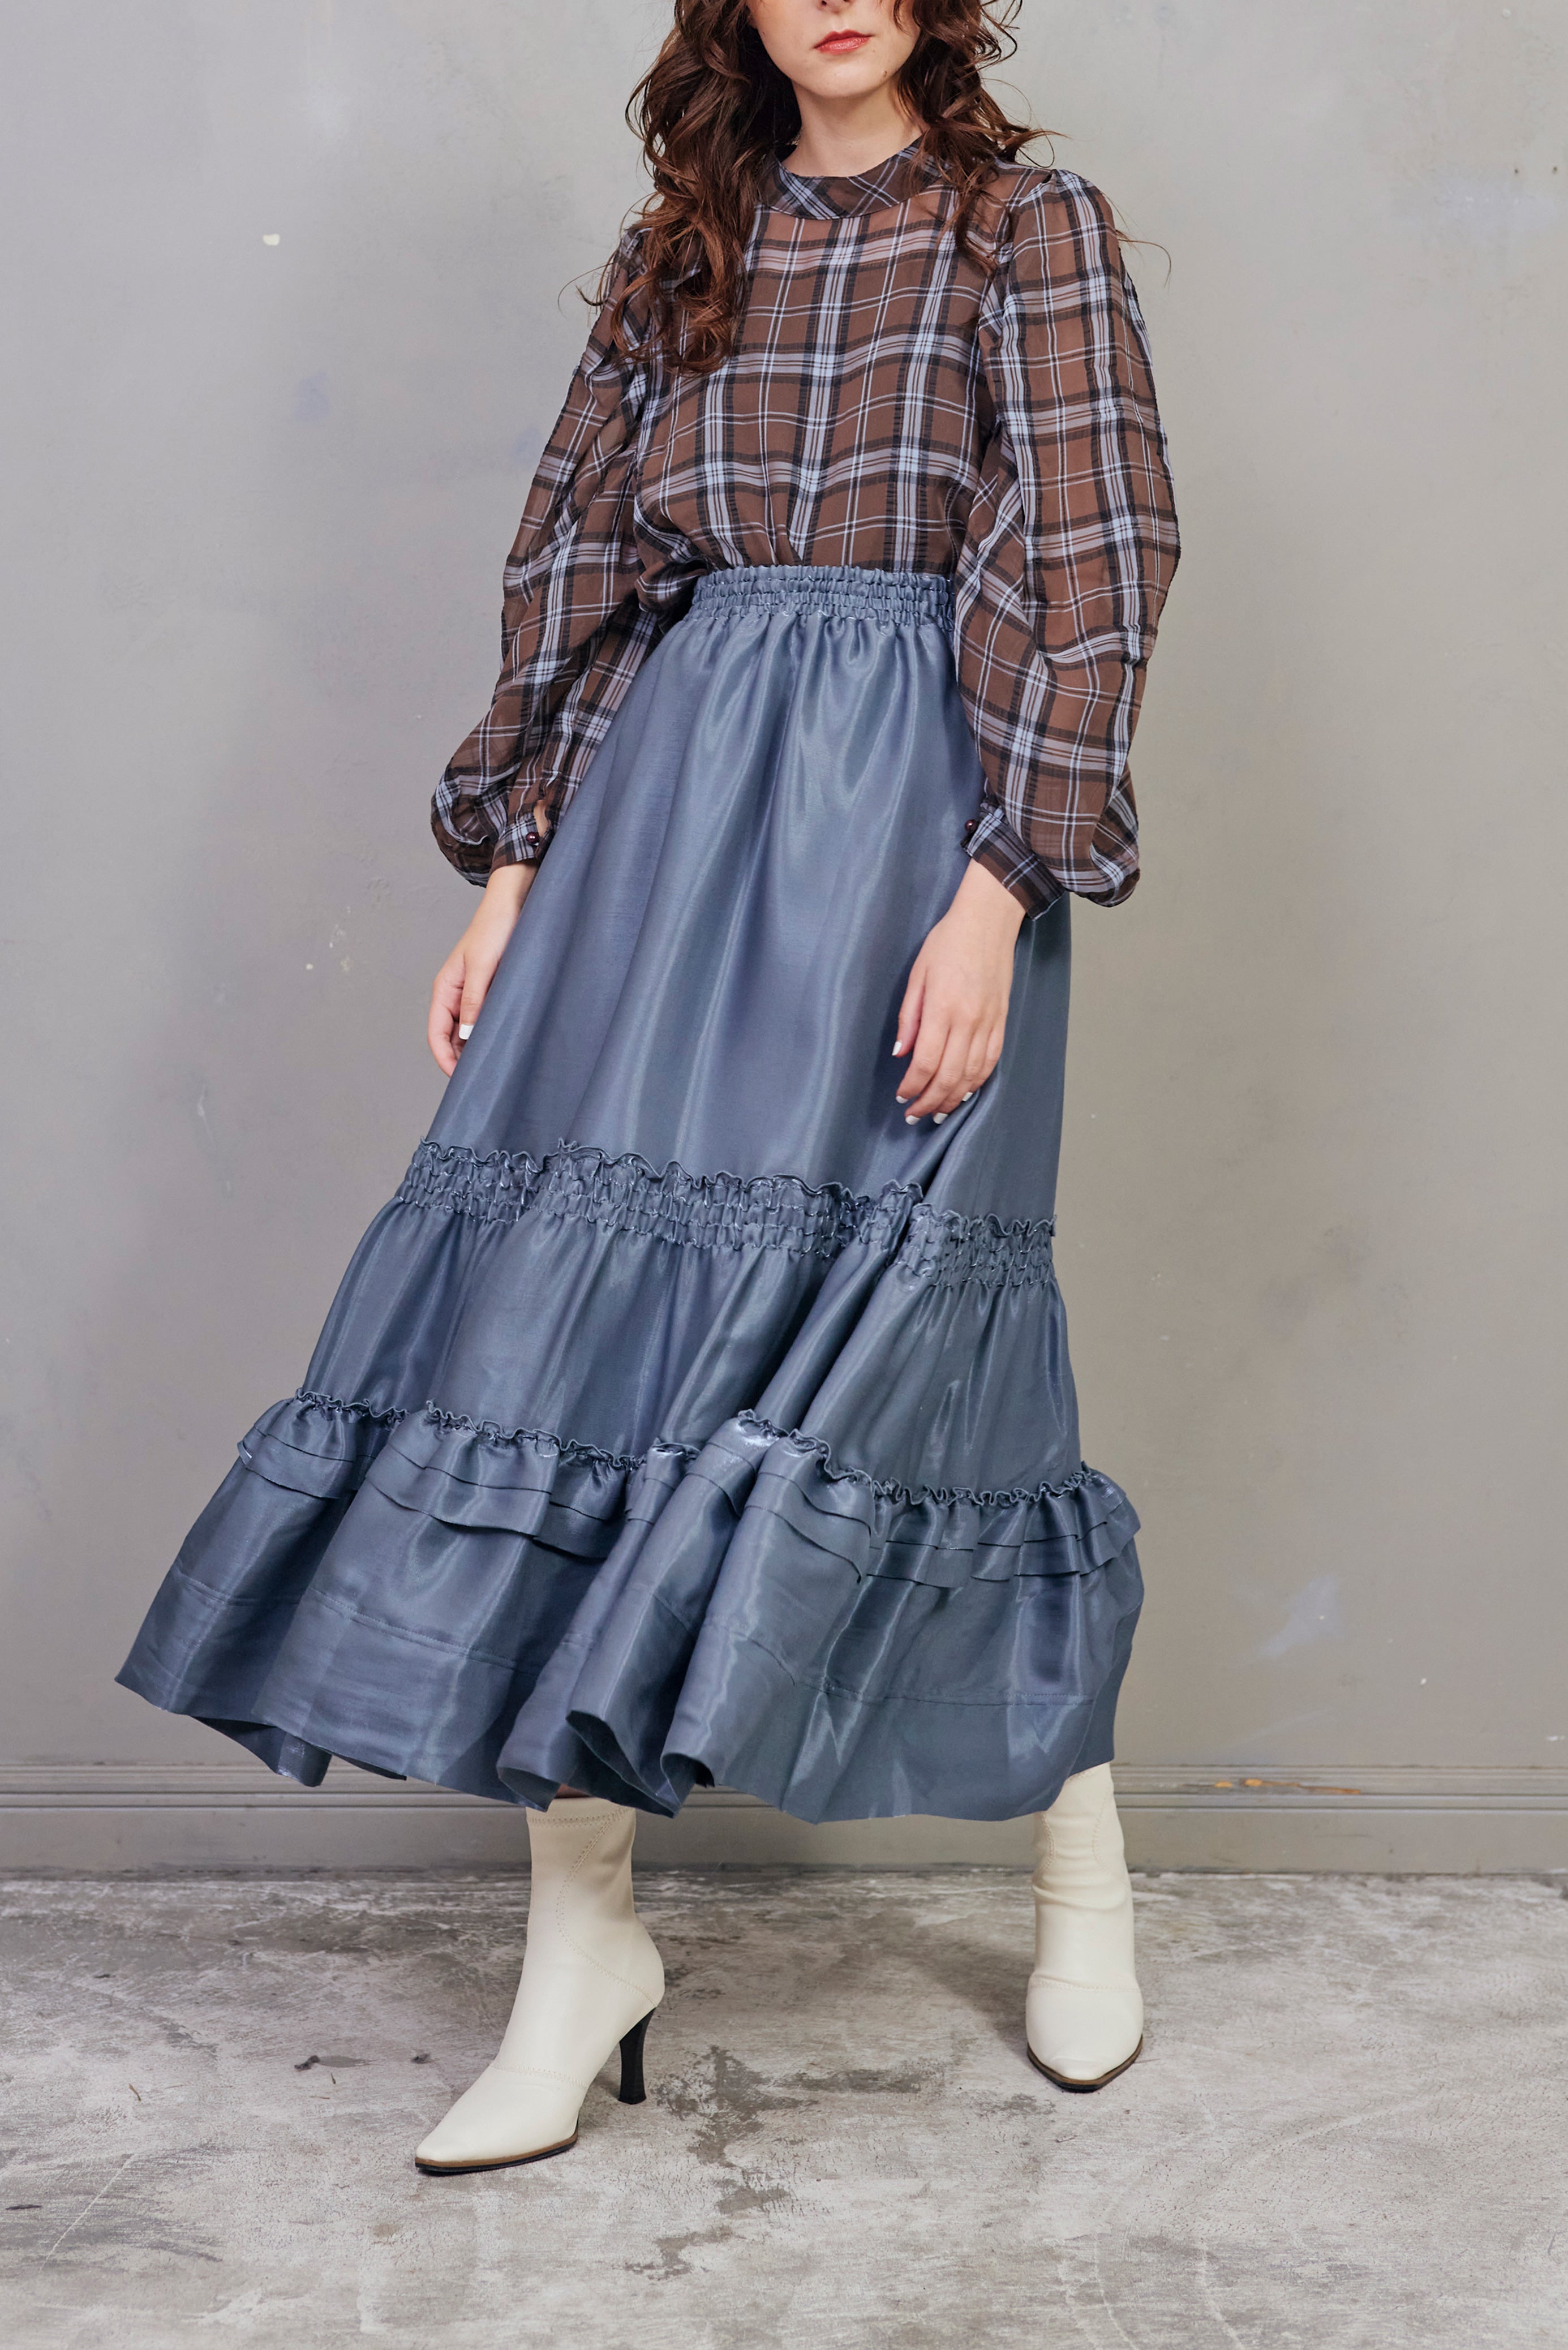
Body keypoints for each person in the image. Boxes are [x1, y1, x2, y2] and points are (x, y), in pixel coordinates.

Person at [117, 0, 1179, 2172]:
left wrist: (999, 890)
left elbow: (1097, 556)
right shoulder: (678, 242)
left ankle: (1078, 1866)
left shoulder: (1028, 230)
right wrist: (516, 869)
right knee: (581, 1352)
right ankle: (579, 1938)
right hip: (666, 827)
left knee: (918, 1358)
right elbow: (583, 562)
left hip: (921, 823)